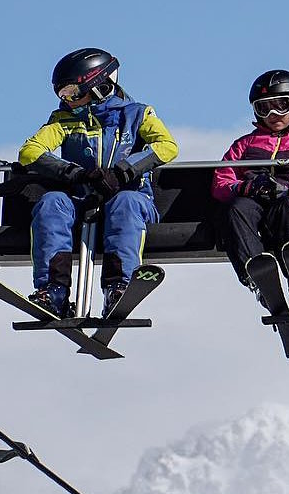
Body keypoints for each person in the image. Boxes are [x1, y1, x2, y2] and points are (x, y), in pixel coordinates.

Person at [18, 48, 178, 318]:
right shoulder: (64, 121)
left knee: (124, 203)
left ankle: (118, 286)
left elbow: (167, 146)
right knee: (51, 203)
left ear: (101, 86)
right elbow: (29, 152)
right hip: (84, 201)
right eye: (63, 95)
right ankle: (53, 290)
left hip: (130, 199)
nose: (69, 101)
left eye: (73, 92)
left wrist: (122, 173)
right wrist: (77, 174)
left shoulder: (137, 114)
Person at [211, 70, 289, 307]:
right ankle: (257, 273)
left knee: (288, 206)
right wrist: (247, 187)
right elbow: (221, 182)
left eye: (280, 105)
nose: (272, 114)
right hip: (255, 205)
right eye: (263, 108)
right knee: (236, 209)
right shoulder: (245, 144)